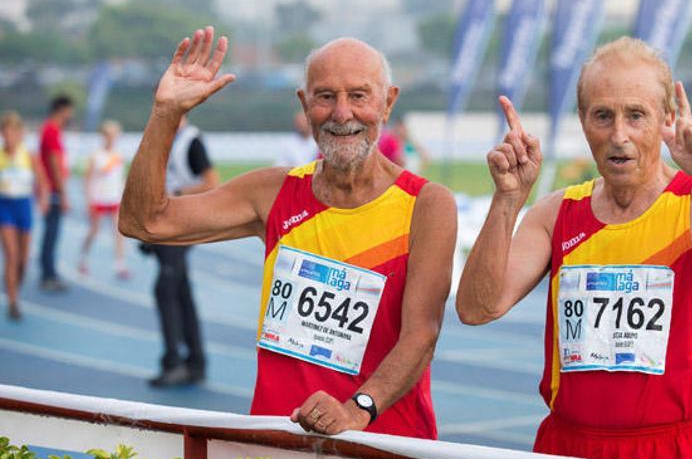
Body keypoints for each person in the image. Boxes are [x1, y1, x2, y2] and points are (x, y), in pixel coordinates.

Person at [456, 37, 692, 459]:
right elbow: (475, 309)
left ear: (666, 119)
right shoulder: (556, 214)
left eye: (636, 115)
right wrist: (508, 199)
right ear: (582, 121)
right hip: (567, 454)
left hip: (671, 456)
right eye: (602, 116)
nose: (619, 136)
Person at [119, 27, 456, 438]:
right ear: (304, 103)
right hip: (279, 442)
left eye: (359, 95)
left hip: (385, 447)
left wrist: (357, 410)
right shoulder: (272, 193)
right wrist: (165, 114)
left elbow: (422, 333)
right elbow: (144, 221)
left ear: (389, 102)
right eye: (326, 96)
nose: (342, 113)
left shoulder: (427, 205)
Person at [141, 113, 219, 387]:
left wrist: (175, 194)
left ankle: (174, 361)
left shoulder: (190, 139)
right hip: (163, 226)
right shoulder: (161, 138)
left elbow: (211, 182)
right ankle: (195, 362)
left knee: (166, 289)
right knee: (181, 292)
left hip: (182, 224)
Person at [0, 112, 48, 319]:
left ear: (20, 134)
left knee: (23, 261)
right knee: (11, 255)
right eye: (6, 131)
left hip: (24, 207)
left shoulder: (29, 156)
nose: (10, 136)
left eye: (14, 131)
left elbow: (43, 182)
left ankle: (14, 289)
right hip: (5, 207)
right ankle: (13, 301)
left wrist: (43, 200)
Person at [79, 120, 129, 279]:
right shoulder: (96, 155)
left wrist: (124, 197)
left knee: (119, 232)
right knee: (94, 231)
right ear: (103, 136)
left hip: (114, 199)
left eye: (114, 135)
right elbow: (87, 179)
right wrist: (88, 200)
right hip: (98, 199)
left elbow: (121, 177)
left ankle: (120, 265)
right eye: (108, 135)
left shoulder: (119, 154)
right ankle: (83, 259)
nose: (111, 138)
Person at [38, 95, 74, 292]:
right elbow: (53, 165)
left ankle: (49, 273)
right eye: (69, 111)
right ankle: (48, 275)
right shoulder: (51, 130)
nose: (71, 115)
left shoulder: (52, 130)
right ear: (62, 109)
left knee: (51, 233)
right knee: (51, 234)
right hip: (53, 191)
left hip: (53, 189)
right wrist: (63, 194)